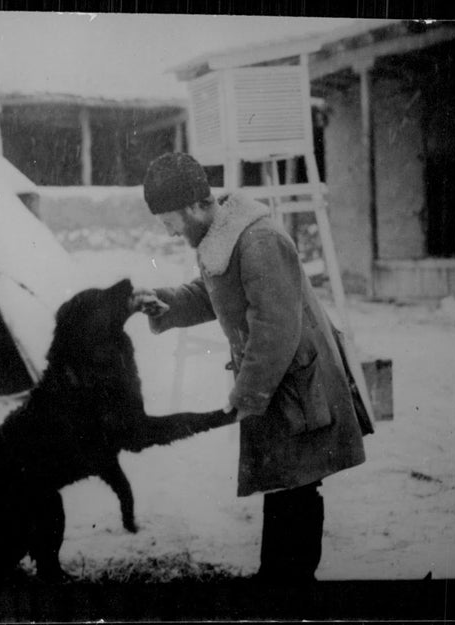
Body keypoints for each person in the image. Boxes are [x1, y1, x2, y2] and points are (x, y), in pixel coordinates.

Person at [134, 152, 372, 584]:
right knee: (284, 478)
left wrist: (250, 392)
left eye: (168, 219)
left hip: (296, 379)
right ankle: (277, 576)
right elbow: (216, 295)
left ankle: (292, 581)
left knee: (298, 480)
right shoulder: (222, 237)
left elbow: (275, 327)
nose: (167, 230)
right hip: (276, 377)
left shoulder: (257, 239)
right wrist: (168, 303)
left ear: (193, 207)